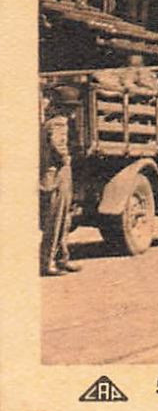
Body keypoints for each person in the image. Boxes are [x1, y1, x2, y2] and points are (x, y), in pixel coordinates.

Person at [40, 89, 78, 276]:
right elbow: (57, 145)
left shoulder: (53, 122)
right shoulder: (59, 123)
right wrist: (66, 158)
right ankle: (48, 263)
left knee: (64, 219)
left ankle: (62, 258)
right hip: (56, 175)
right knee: (56, 221)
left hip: (57, 175)